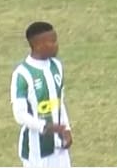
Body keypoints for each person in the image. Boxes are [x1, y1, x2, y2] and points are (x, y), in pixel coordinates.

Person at [10, 21, 72, 168]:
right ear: (38, 45)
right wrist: (45, 127)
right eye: (52, 41)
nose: (56, 45)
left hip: (59, 147)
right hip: (36, 151)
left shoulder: (57, 66)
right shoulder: (22, 74)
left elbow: (59, 102)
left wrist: (66, 128)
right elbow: (20, 114)